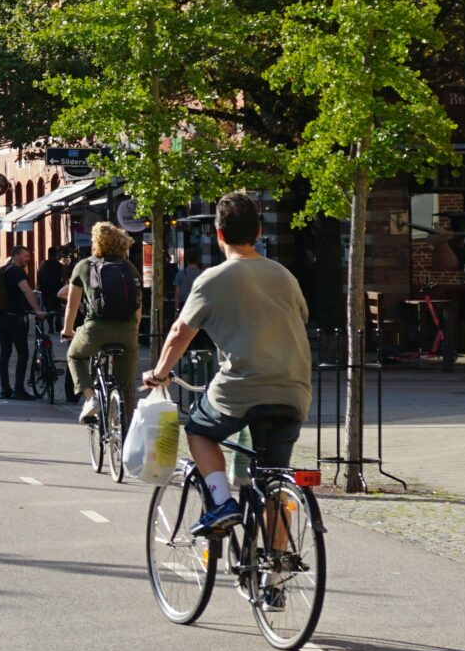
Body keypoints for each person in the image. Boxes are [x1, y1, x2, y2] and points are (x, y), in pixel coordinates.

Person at [141, 191, 311, 537]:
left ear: (219, 234)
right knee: (274, 479)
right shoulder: (284, 276)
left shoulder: (213, 278)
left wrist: (159, 374)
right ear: (259, 233)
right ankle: (274, 579)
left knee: (199, 430)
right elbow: (302, 317)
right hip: (294, 390)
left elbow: (179, 333)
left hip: (242, 388)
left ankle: (221, 502)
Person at [65, 224, 140, 425]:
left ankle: (91, 398)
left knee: (74, 355)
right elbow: (138, 306)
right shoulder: (129, 267)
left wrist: (67, 330)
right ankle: (128, 432)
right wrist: (134, 330)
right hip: (127, 331)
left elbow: (72, 306)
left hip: (95, 329)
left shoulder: (84, 266)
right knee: (126, 384)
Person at [0, 244, 43, 399]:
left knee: (5, 352)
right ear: (16, 255)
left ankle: (5, 389)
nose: (28, 259)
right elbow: (26, 290)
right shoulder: (16, 272)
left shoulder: (5, 270)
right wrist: (37, 310)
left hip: (1, 316)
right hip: (13, 317)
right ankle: (19, 389)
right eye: (25, 256)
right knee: (23, 353)